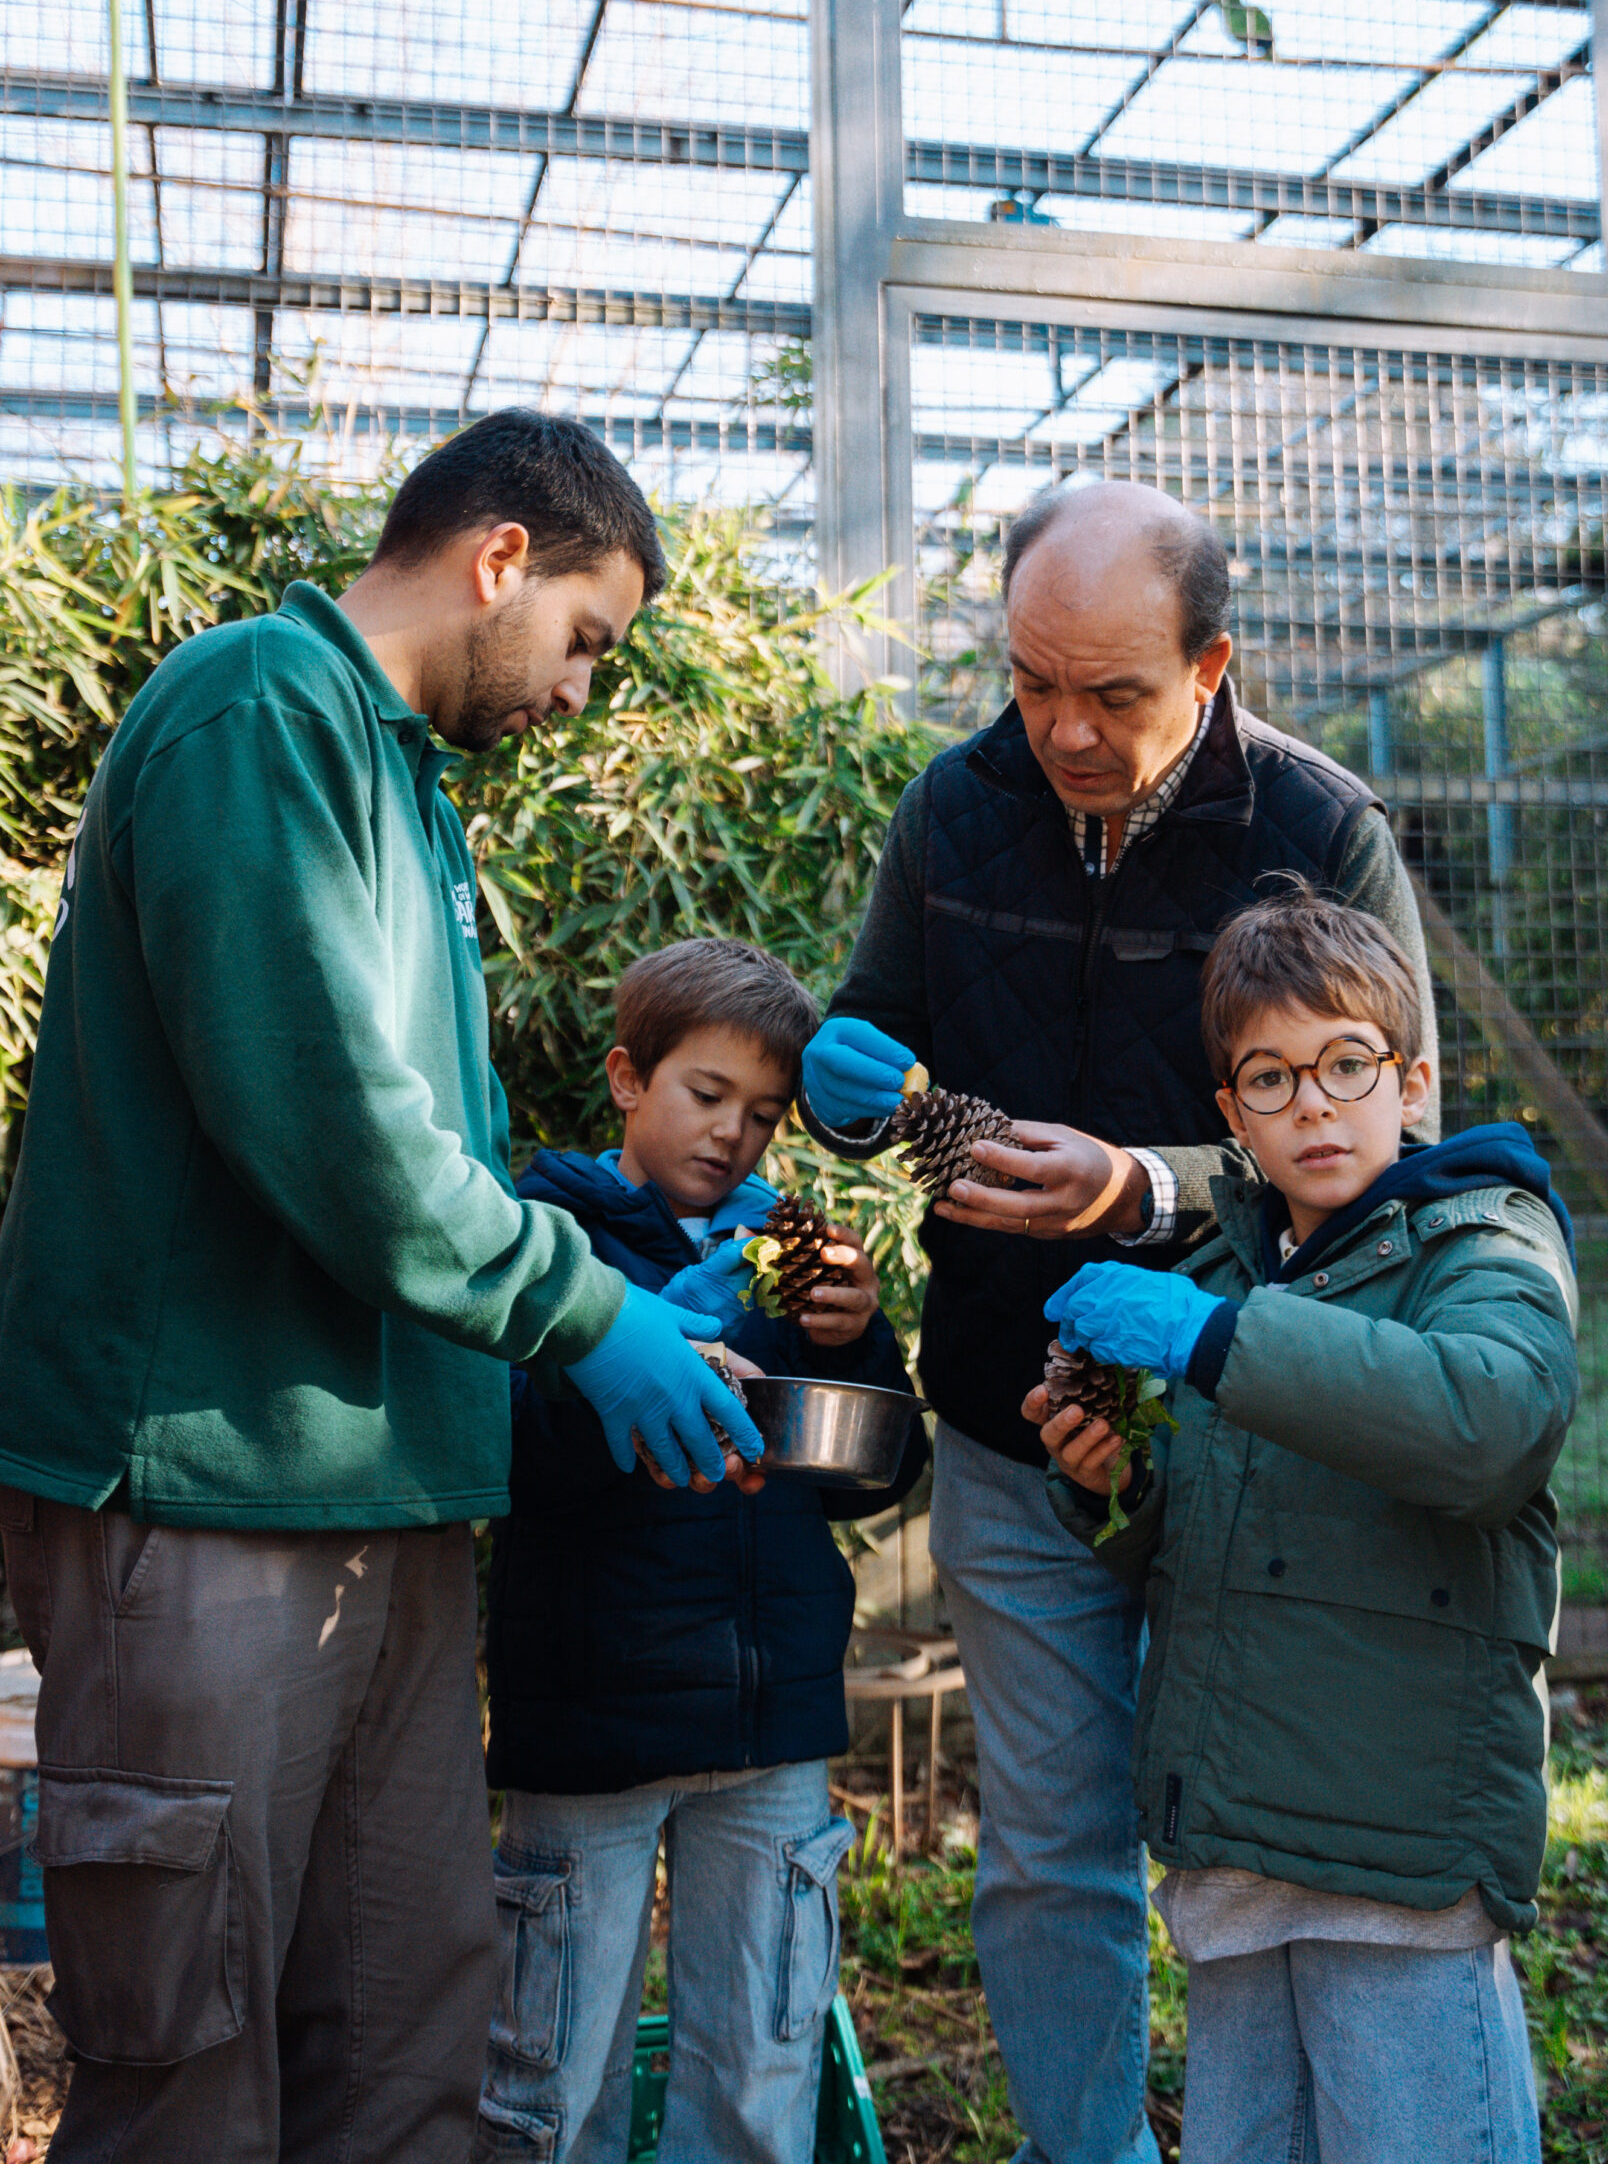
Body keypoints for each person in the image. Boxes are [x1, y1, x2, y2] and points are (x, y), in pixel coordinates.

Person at [0, 413, 763, 2164]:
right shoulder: (260, 712)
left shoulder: (400, 780)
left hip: (389, 1500)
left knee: (409, 2043)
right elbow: (340, 1127)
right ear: (502, 558)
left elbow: (436, 1160)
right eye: (587, 639)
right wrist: (588, 1316)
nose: (580, 692)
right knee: (187, 2067)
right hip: (209, 1493)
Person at [796, 479, 1438, 2164]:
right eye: (1029, 683)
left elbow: (1401, 1146)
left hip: (1250, 1434)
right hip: (1016, 1425)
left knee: (1254, 1844)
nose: (1064, 731)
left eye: (1114, 694)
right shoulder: (954, 810)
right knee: (1047, 1850)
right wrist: (863, 1098)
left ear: (1213, 663)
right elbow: (884, 1051)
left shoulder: (1321, 828)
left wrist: (1141, 1190)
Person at [1033, 886, 1576, 2164]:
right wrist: (1105, 1474)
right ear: (1230, 1114)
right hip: (1237, 1854)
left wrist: (1214, 1341)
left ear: (1413, 1077)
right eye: (1269, 1078)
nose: (1314, 1104)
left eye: (1345, 1063)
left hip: (1395, 1863)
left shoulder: (1484, 1239)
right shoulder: (1224, 1268)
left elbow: (1489, 1425)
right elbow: (1183, 1533)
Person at [474, 937, 927, 2164]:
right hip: (594, 1728)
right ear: (629, 1078)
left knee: (760, 2069)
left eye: (765, 1115)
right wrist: (624, 1369)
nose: (733, 1135)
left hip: (766, 1729)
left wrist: (853, 1341)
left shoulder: (791, 1251)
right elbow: (506, 1455)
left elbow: (877, 1474)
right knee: (553, 2073)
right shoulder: (545, 1236)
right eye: (706, 1095)